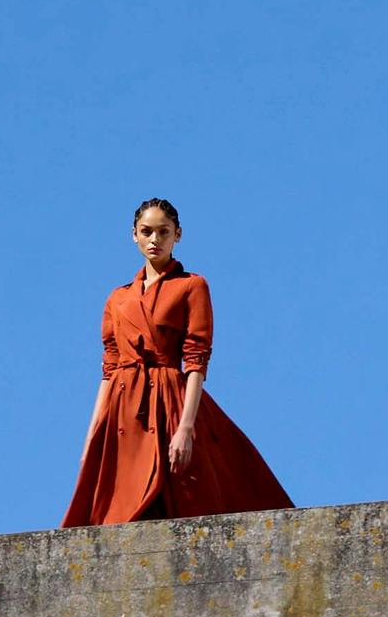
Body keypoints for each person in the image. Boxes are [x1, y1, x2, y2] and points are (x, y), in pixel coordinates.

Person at [61, 200, 294, 524]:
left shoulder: (192, 285)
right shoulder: (118, 297)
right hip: (123, 407)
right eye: (147, 232)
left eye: (163, 232)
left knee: (186, 495)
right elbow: (110, 367)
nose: (155, 239)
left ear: (177, 235)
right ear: (134, 236)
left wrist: (186, 427)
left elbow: (196, 360)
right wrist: (92, 434)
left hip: (169, 399)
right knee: (116, 507)